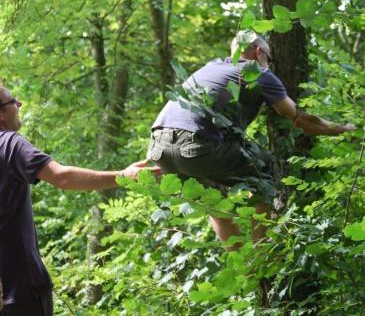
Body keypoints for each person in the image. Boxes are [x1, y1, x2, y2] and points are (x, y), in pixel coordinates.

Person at [147, 31, 354, 247]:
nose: (269, 64)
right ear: (258, 52)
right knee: (265, 170)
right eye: (269, 58)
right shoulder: (258, 72)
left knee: (212, 201)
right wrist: (347, 129)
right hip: (197, 145)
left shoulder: (210, 68)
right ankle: (263, 255)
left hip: (158, 147)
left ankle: (246, 270)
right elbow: (303, 121)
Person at [0, 84, 161, 315]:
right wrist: (123, 177)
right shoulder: (10, 143)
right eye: (13, 101)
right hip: (22, 293)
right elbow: (62, 178)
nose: (19, 105)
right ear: (1, 113)